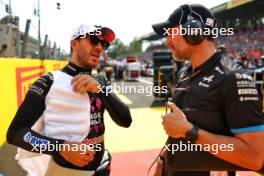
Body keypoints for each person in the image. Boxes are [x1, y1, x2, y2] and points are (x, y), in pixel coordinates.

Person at [151, 4, 264, 176]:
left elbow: (254, 157)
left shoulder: (233, 78)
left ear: (194, 32)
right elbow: (178, 129)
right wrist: (164, 159)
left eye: (171, 33)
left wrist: (191, 132)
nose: (167, 41)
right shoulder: (185, 72)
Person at [7, 24, 132, 176]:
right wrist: (60, 147)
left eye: (104, 44)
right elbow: (15, 133)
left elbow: (126, 121)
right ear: (74, 43)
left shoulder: (100, 81)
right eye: (93, 40)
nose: (99, 48)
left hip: (102, 167)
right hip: (64, 171)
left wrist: (101, 90)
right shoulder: (49, 81)